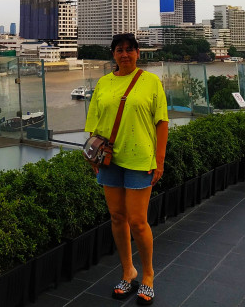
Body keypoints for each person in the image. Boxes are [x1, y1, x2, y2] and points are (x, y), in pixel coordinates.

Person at [85, 33, 168, 305]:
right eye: (119, 50)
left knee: (138, 222)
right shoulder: (103, 83)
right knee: (117, 217)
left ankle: (148, 275)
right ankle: (128, 271)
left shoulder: (151, 82)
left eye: (129, 49)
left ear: (138, 53)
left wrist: (159, 160)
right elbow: (94, 122)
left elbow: (162, 122)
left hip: (140, 159)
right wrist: (93, 156)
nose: (125, 54)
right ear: (113, 54)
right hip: (109, 160)